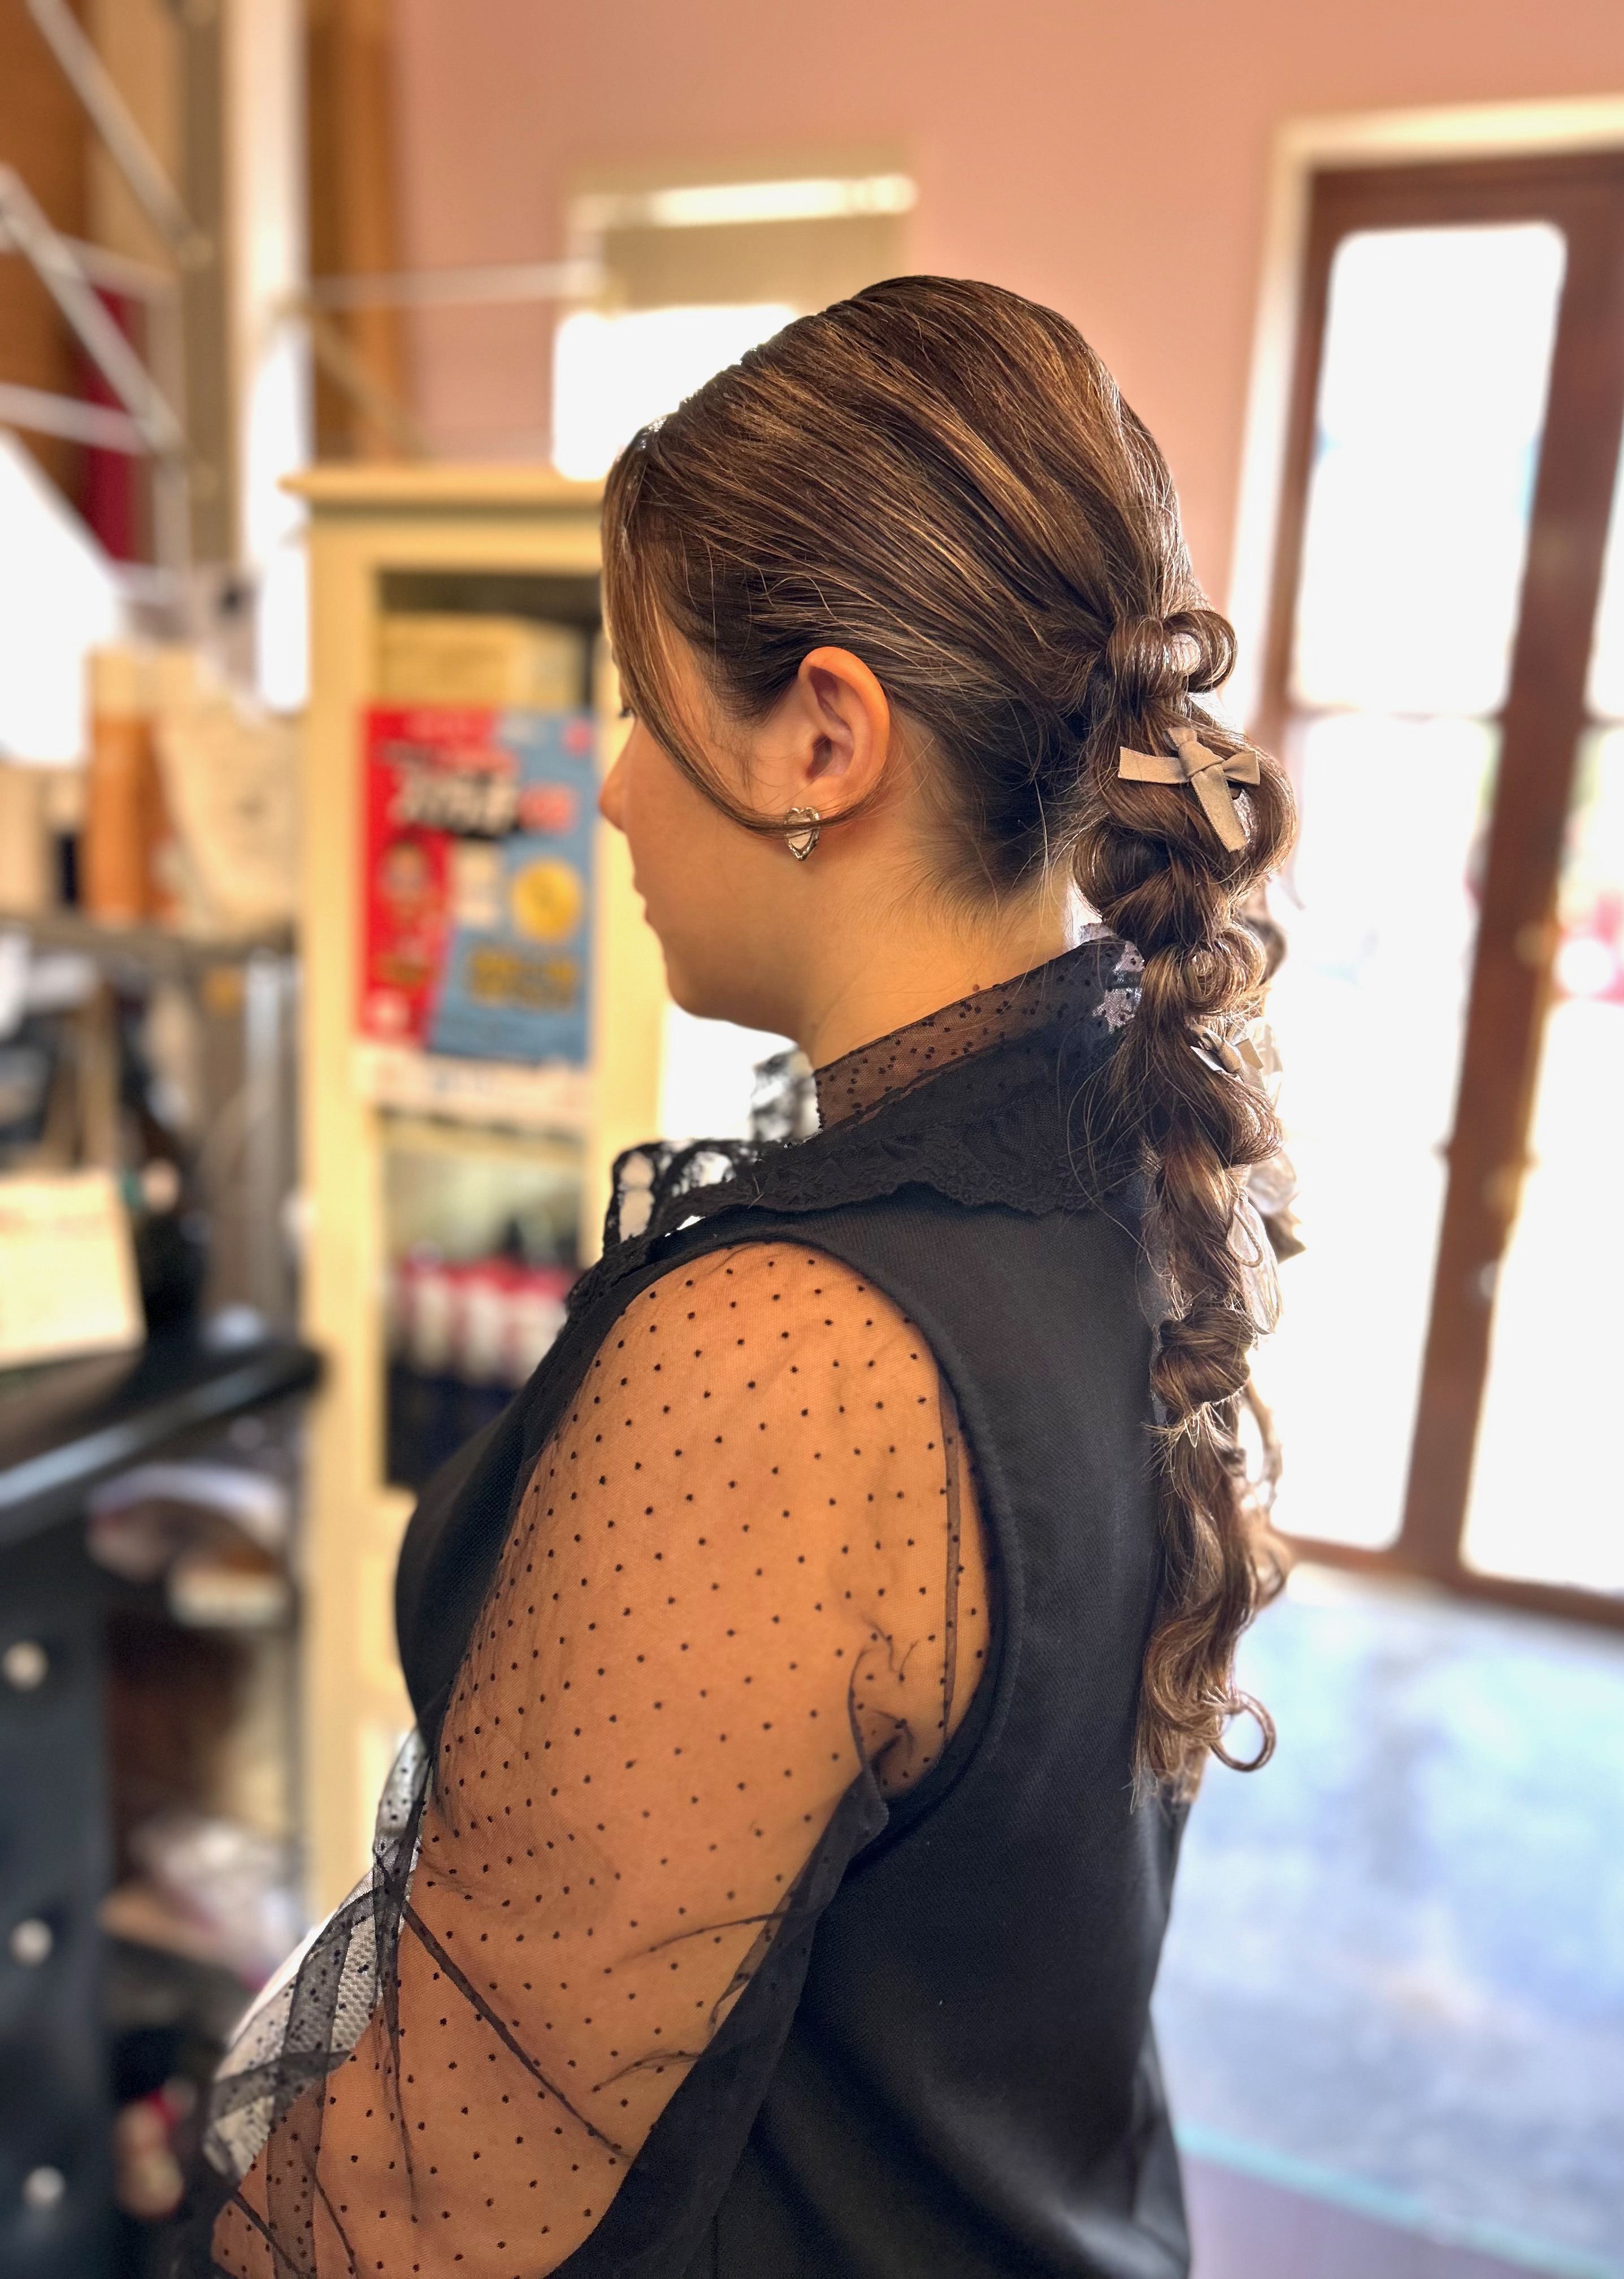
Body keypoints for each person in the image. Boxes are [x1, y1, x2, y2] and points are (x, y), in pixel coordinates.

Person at [197, 275, 1296, 2279]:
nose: (612, 781)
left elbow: (444, 2199)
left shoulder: (788, 1362)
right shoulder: (1108, 1147)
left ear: (823, 735)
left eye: (642, 699)